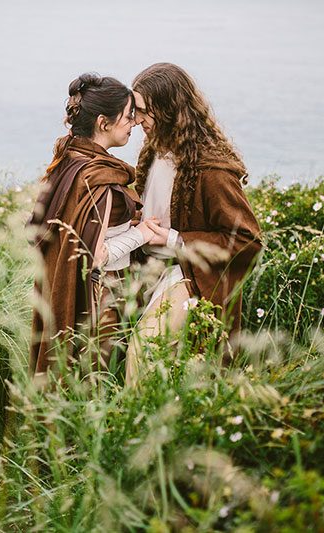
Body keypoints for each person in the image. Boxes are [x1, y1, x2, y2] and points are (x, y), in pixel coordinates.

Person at [126, 62, 263, 386]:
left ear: (169, 109)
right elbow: (152, 212)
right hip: (149, 271)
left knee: (142, 350)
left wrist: (176, 240)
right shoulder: (155, 150)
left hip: (191, 276)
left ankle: (132, 433)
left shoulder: (210, 167)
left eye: (143, 111)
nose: (136, 120)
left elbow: (248, 240)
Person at [28, 72, 165, 383]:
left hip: (68, 294)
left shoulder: (69, 159)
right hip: (101, 301)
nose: (134, 123)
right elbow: (94, 255)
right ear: (104, 123)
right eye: (128, 116)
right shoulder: (99, 178)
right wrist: (140, 234)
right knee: (97, 381)